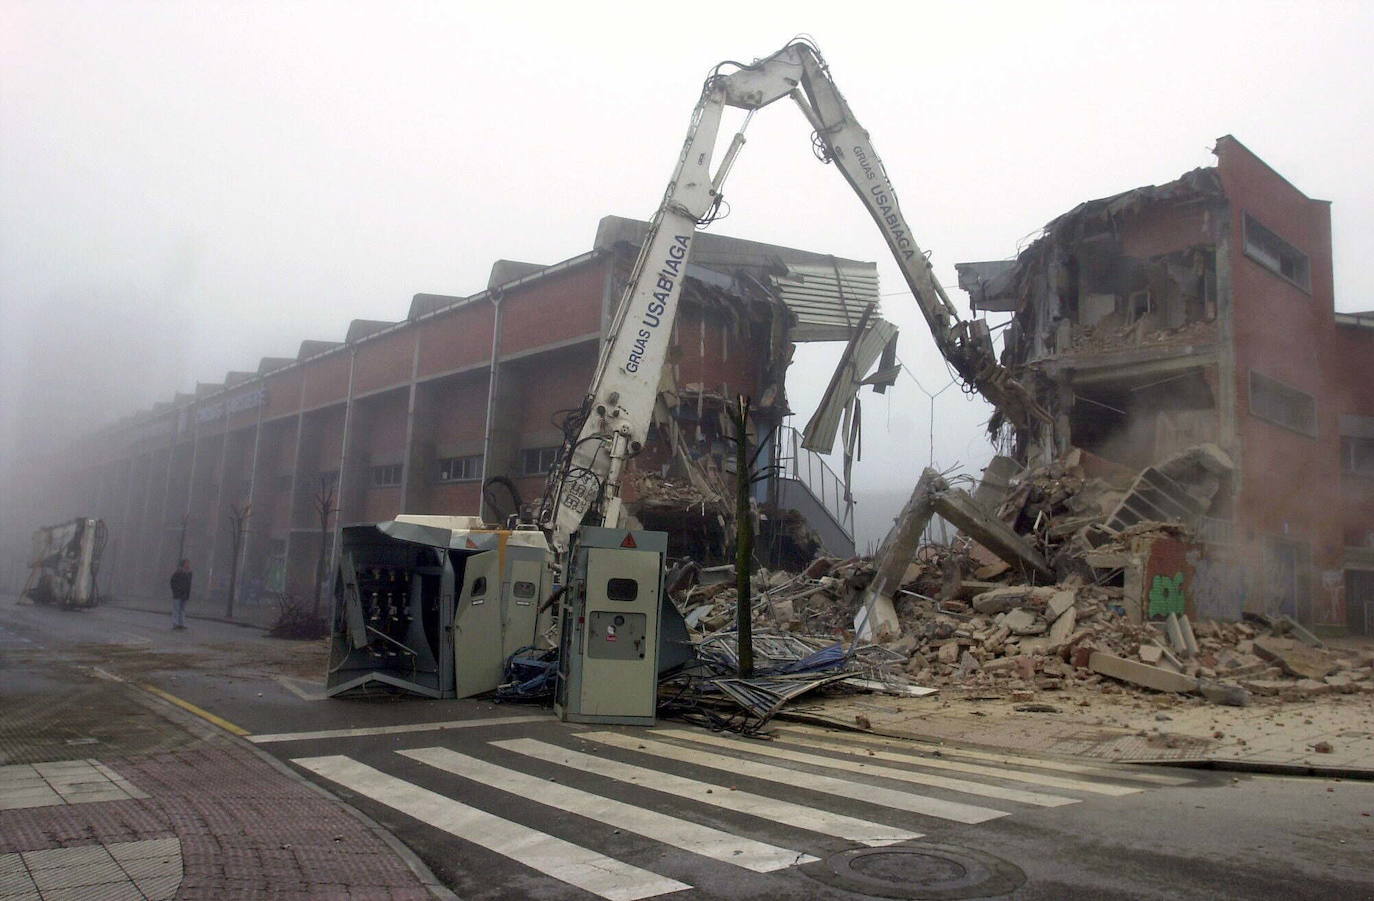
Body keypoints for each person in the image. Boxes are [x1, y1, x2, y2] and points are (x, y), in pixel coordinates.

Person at [169, 559, 192, 630]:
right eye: (186, 563)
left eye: (188, 563)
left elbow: (188, 584)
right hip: (178, 594)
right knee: (177, 609)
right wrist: (176, 590)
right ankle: (175, 624)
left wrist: (188, 593)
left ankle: (181, 624)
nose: (188, 564)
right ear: (183, 564)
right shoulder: (178, 572)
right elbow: (172, 582)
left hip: (185, 594)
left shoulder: (189, 573)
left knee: (182, 610)